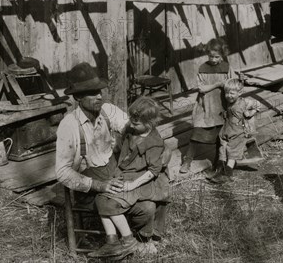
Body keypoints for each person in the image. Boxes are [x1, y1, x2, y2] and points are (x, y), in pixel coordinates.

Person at [55, 63, 168, 258]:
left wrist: (160, 147)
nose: (99, 96)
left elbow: (136, 126)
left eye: (99, 91)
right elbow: (62, 172)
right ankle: (118, 242)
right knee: (124, 203)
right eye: (92, 93)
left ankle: (141, 238)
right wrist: (99, 185)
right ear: (78, 97)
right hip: (90, 183)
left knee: (150, 205)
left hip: (115, 171)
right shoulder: (69, 125)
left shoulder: (107, 110)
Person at [90, 97, 170, 259]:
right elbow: (123, 149)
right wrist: (115, 143)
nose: (131, 125)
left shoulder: (154, 143)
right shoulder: (131, 130)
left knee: (109, 202)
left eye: (136, 123)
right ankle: (112, 242)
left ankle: (128, 241)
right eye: (131, 121)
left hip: (141, 181)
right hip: (125, 174)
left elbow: (153, 171)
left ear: (150, 123)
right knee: (101, 199)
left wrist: (132, 185)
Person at [180, 38, 236, 174]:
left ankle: (218, 161)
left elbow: (233, 84)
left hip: (220, 106)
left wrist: (236, 83)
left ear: (222, 55)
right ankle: (187, 160)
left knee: (220, 136)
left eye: (217, 57)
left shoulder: (227, 68)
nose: (214, 59)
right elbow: (202, 89)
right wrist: (218, 84)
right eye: (211, 56)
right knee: (196, 134)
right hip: (205, 106)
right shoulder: (202, 68)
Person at [208, 78, 259, 184]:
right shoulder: (229, 102)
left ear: (240, 92)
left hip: (238, 132)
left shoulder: (245, 102)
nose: (228, 95)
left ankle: (227, 174)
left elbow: (258, 105)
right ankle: (220, 171)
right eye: (227, 93)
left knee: (232, 153)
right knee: (223, 150)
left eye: (232, 93)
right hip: (226, 129)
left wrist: (250, 113)